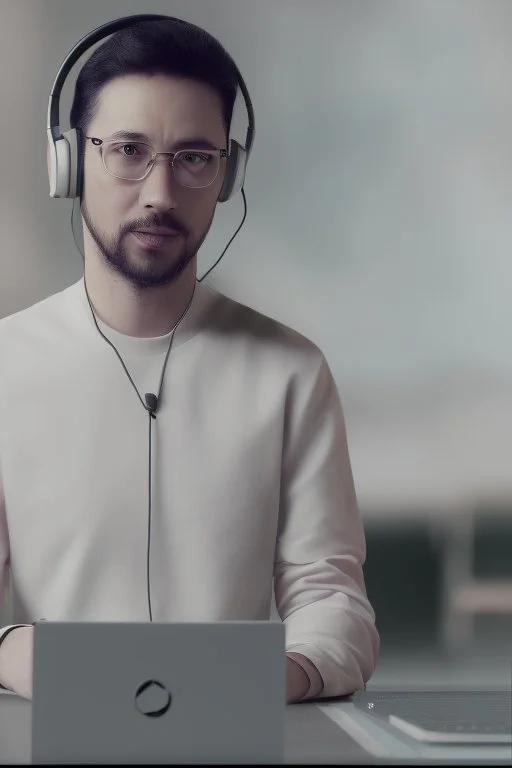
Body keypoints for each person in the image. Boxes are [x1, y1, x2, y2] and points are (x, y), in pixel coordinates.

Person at [0, 15, 379, 704]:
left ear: (227, 174)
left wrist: (265, 679)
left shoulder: (291, 374)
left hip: (235, 735)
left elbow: (332, 600)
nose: (159, 194)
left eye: (194, 158)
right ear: (69, 163)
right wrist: (11, 650)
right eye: (127, 150)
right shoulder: (5, 368)